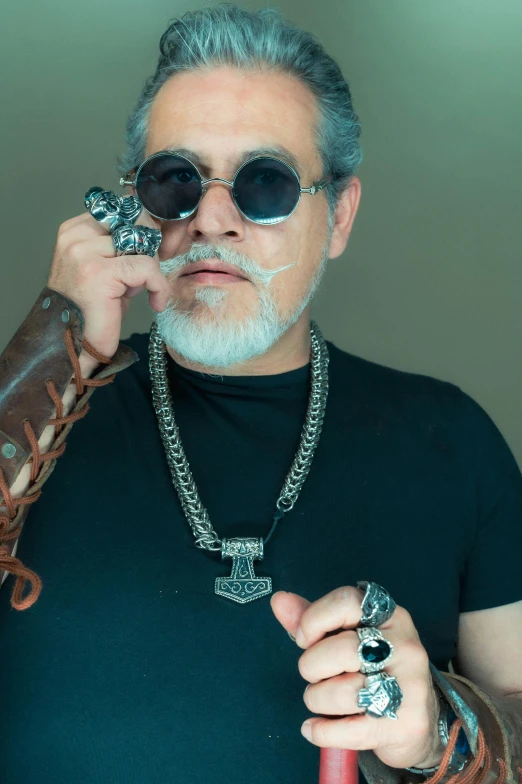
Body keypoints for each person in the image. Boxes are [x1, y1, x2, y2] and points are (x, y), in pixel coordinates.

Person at [0, 5, 521, 783]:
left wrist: (440, 729)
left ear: (338, 216)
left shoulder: (454, 440)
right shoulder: (38, 401)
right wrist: (52, 346)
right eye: (176, 179)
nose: (213, 218)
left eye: (264, 182)